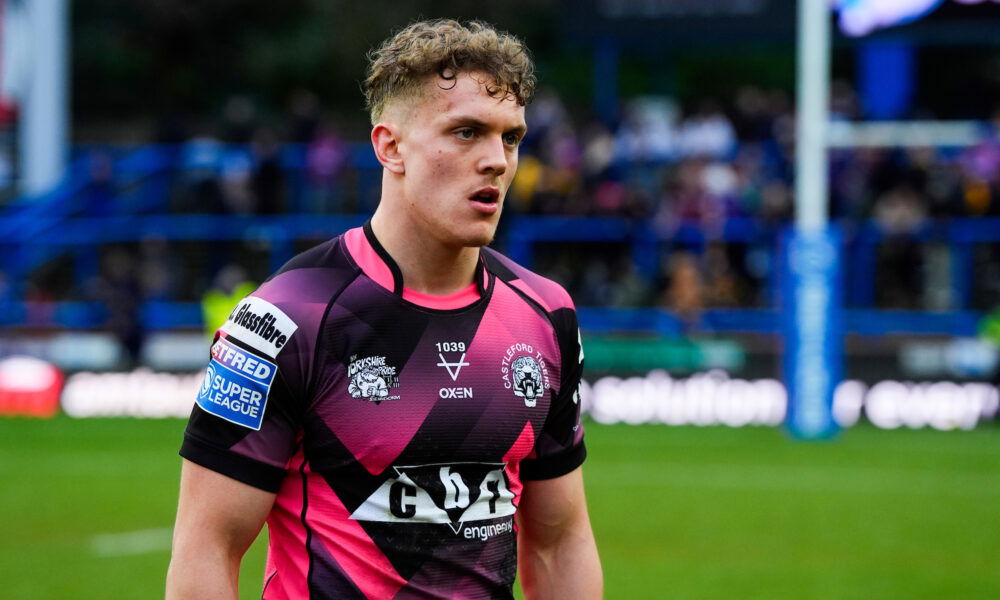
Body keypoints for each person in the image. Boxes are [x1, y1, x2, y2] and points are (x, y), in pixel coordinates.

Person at [166, 19, 602, 600]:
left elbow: (558, 540)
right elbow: (207, 548)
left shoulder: (546, 314)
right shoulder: (286, 318)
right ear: (389, 146)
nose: (497, 160)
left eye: (511, 137)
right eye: (467, 132)